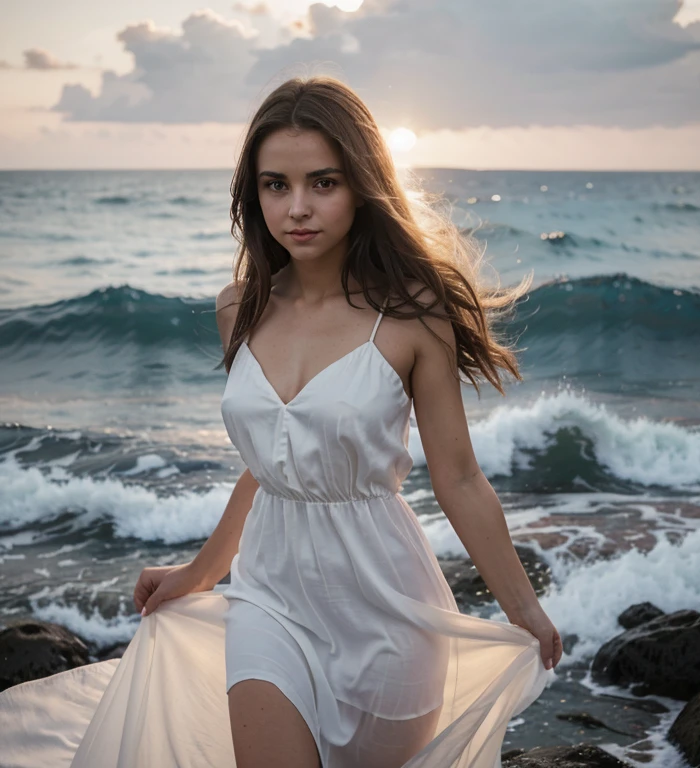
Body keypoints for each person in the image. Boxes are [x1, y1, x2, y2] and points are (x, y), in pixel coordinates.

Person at [0, 75, 561, 768]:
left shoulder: (414, 314)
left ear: (362, 184)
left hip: (385, 608)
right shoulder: (239, 306)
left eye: (323, 182)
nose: (297, 208)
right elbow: (271, 465)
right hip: (269, 597)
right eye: (275, 185)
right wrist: (201, 573)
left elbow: (461, 478)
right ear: (252, 191)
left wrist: (523, 609)